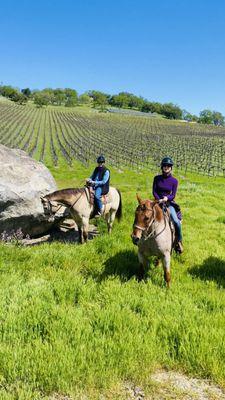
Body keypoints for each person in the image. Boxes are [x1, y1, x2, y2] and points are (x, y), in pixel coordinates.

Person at [152, 156, 183, 253]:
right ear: (162, 167)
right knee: (144, 214)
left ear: (171, 168)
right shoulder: (157, 178)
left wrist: (166, 198)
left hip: (168, 203)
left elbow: (173, 195)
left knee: (176, 222)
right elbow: (154, 191)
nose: (166, 167)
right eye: (165, 166)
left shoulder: (174, 181)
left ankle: (179, 241)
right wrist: (158, 199)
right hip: (157, 202)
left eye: (168, 166)